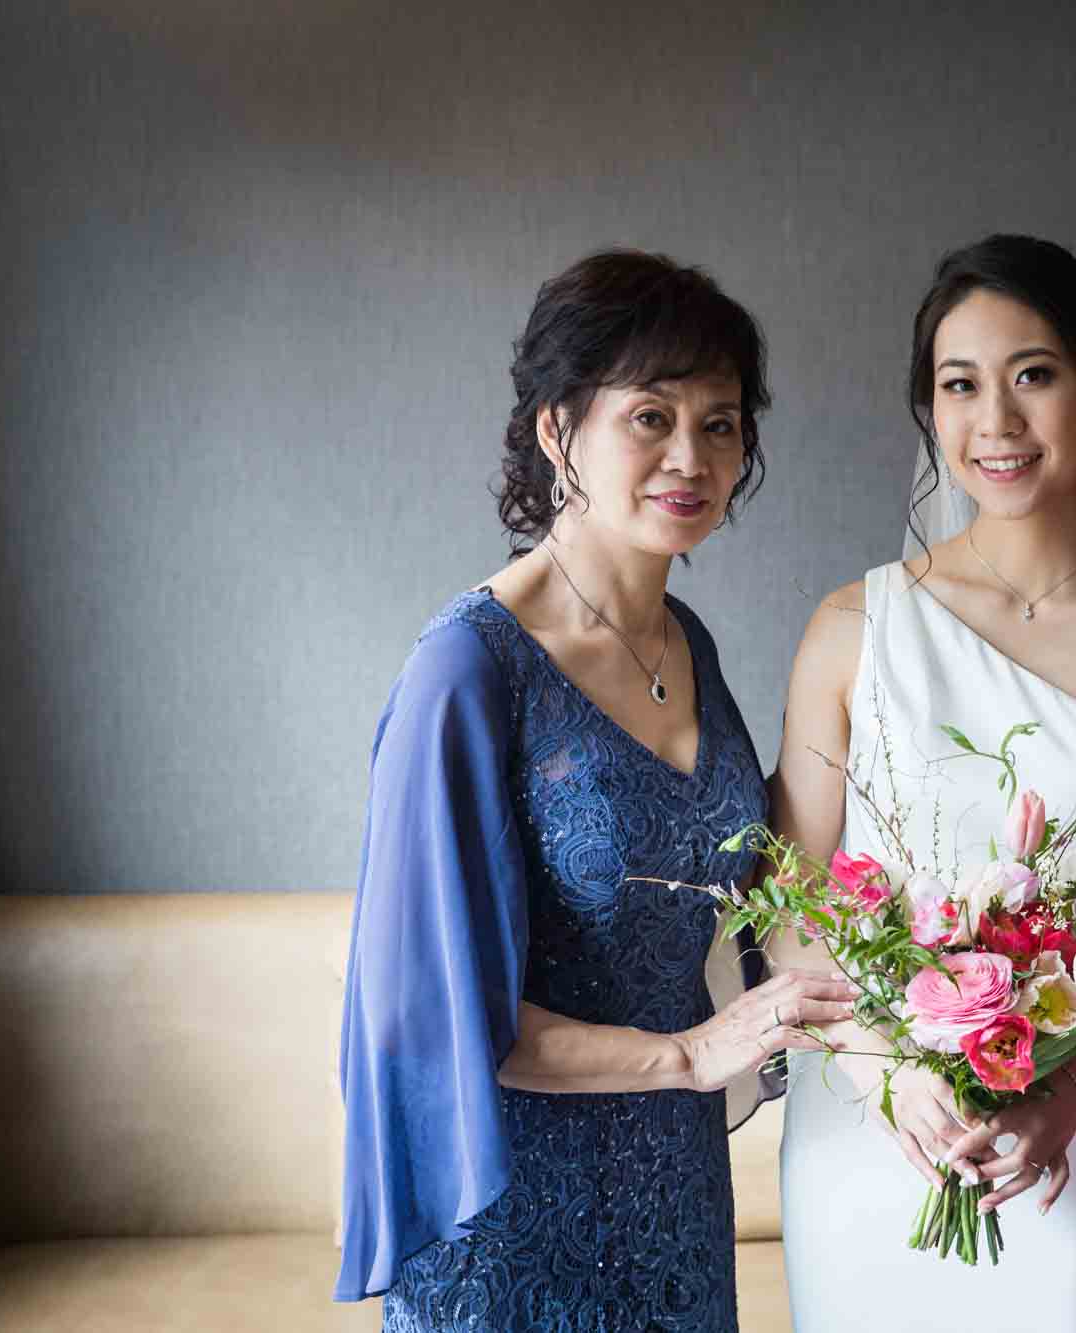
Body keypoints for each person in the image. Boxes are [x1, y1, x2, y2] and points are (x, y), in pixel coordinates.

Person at [334, 249, 857, 1332]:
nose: (690, 455)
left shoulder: (690, 646)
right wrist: (687, 1053)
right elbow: (426, 1015)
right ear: (557, 429)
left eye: (720, 422)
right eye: (650, 416)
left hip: (674, 1201)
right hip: (511, 1228)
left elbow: (754, 876)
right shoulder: (469, 669)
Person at [770, 234, 1076, 1331]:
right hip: (869, 1126)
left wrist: (1064, 1086)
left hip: (1065, 1141)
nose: (995, 420)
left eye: (1032, 375)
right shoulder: (850, 628)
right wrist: (886, 1067)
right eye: (958, 384)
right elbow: (794, 900)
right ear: (928, 411)